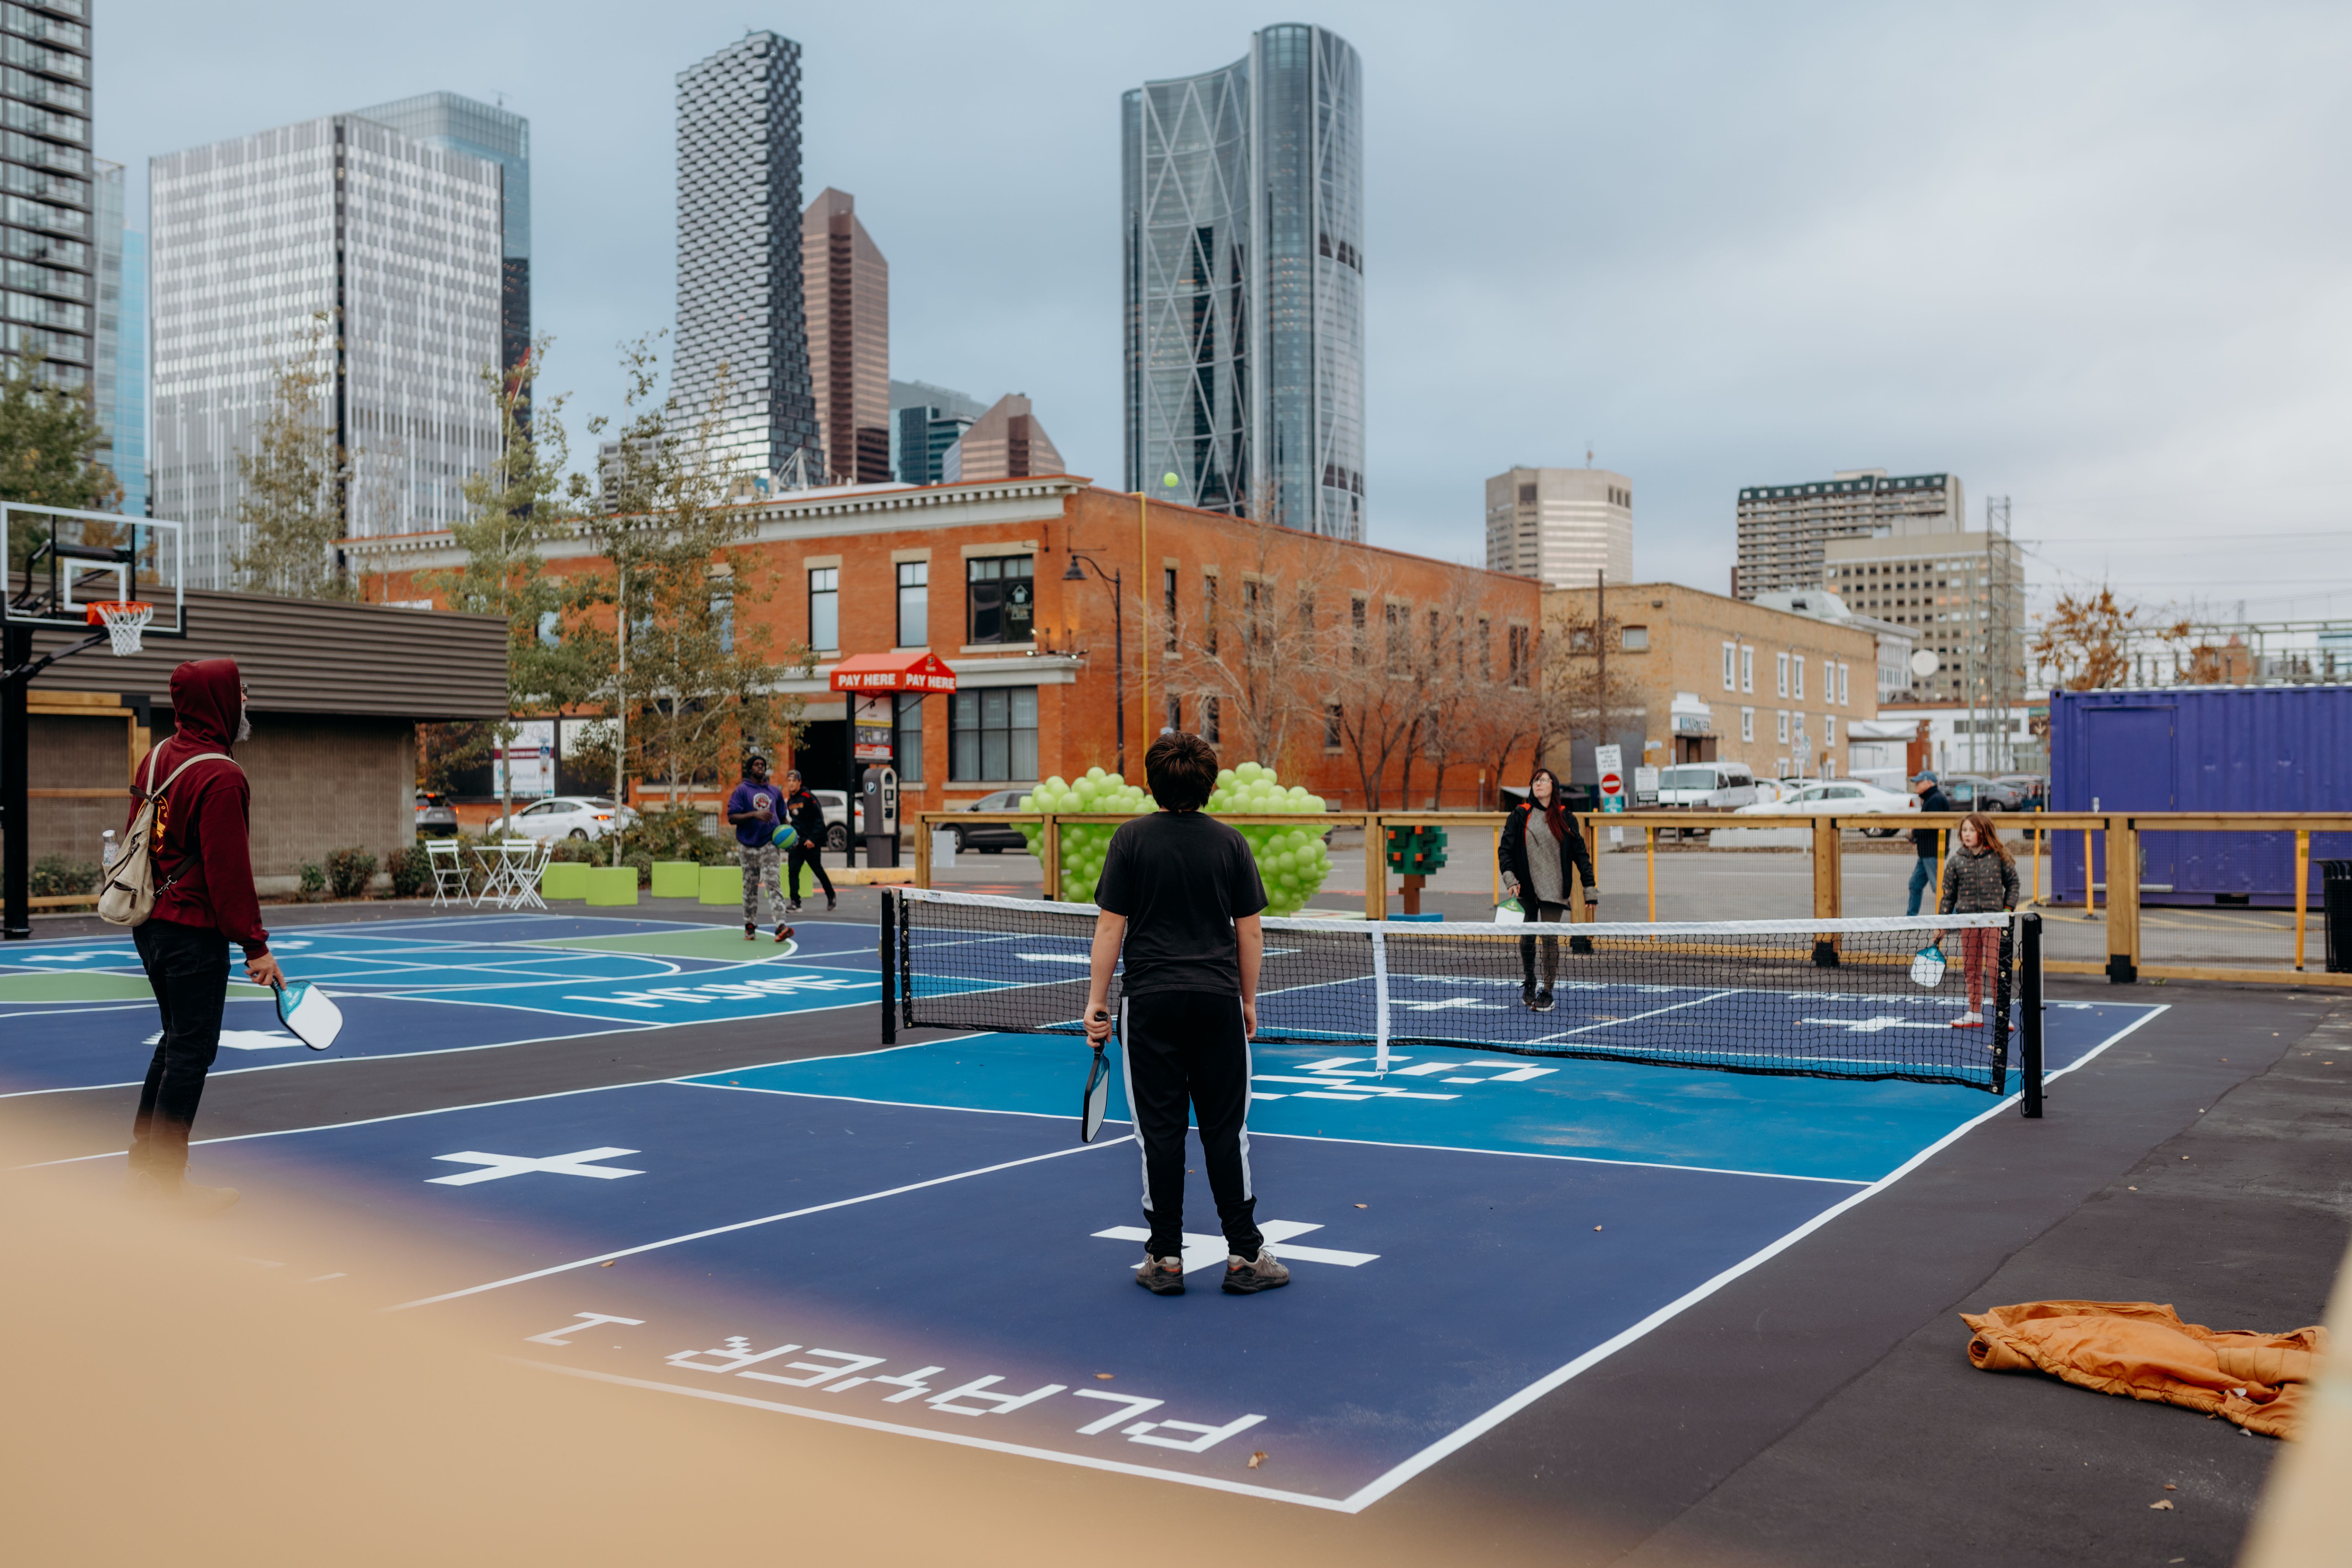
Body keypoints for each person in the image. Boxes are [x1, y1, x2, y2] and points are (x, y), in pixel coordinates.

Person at [1083, 731, 1283, 1297]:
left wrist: (1097, 1001)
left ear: (1150, 783)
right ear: (1210, 784)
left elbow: (1109, 926)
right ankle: (1244, 1257)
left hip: (1149, 1005)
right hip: (1216, 1004)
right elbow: (1249, 931)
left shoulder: (1129, 840)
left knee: (1159, 1134)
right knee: (1226, 1132)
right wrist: (1246, 1000)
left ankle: (1164, 1259)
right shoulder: (1230, 844)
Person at [126, 658, 284, 1212]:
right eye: (241, 692)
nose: (246, 701)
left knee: (175, 1041)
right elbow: (228, 870)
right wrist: (255, 944)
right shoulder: (221, 774)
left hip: (150, 925)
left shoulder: (156, 759)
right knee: (191, 1050)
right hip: (193, 931)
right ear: (218, 700)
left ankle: (145, 1168)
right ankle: (167, 1185)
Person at [1497, 766, 1599, 1011]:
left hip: (1555, 889)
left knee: (1550, 938)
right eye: (1535, 780)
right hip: (1527, 888)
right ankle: (1530, 981)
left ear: (1554, 785)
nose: (1538, 783)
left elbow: (1581, 856)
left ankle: (1547, 990)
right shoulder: (1520, 815)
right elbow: (1505, 851)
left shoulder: (1566, 817)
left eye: (1544, 780)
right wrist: (1511, 880)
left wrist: (1590, 889)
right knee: (1528, 937)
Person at [1936, 811, 2019, 1028]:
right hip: (1968, 921)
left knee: (1994, 966)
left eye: (1972, 830)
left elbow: (2013, 884)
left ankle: (2002, 1015)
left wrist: (2007, 910)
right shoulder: (1956, 862)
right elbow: (1948, 896)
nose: (1967, 834)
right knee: (1971, 967)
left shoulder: (1999, 856)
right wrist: (1942, 925)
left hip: (1994, 921)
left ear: (1983, 832)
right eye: (1964, 830)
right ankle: (1975, 1013)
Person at [724, 751, 792, 943]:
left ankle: (781, 925)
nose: (761, 766)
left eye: (763, 764)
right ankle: (750, 925)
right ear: (750, 769)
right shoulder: (742, 791)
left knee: (773, 883)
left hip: (769, 844)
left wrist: (791, 835)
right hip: (747, 846)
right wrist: (754, 814)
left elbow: (783, 817)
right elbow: (732, 817)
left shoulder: (774, 792)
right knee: (750, 887)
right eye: (757, 764)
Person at [779, 768, 836, 914]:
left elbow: (819, 820)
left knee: (818, 870)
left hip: (811, 843)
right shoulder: (790, 801)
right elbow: (794, 823)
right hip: (798, 843)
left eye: (794, 781)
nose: (791, 784)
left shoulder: (808, 797)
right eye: (789, 781)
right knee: (793, 871)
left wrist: (813, 839)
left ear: (800, 782)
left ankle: (831, 896)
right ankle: (795, 903)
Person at [1906, 769, 1954, 916]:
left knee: (1939, 888)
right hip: (1927, 853)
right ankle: (1911, 917)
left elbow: (1932, 827)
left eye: (1919, 782)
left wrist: (1914, 833)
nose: (1916, 785)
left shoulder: (1935, 800)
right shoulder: (1932, 798)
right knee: (1915, 884)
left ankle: (1955, 918)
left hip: (1933, 853)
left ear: (1929, 783)